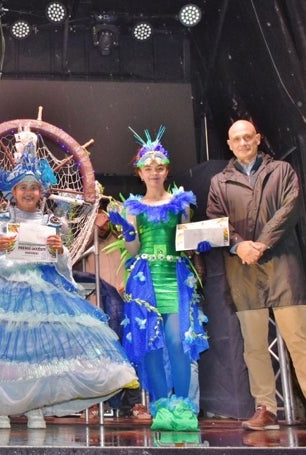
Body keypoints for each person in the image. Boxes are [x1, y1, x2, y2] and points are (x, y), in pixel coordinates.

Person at [0, 132, 138, 430]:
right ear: (13, 192)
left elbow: (62, 265)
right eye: (22, 187)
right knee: (0, 352)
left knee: (38, 353)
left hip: (43, 293)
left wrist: (59, 252)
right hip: (2, 291)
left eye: (34, 187)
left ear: (41, 192)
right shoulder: (1, 220)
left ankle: (34, 407)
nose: (29, 192)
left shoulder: (53, 223)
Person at [206, 119, 306, 431]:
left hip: (283, 268)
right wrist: (239, 246)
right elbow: (216, 221)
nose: (243, 142)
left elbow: (290, 208)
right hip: (244, 272)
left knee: (299, 341)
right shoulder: (219, 183)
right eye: (237, 138)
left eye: (248, 137)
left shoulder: (282, 171)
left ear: (258, 139)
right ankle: (266, 408)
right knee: (253, 347)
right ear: (229, 143)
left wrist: (261, 243)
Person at [108, 126, 209, 431]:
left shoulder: (182, 204)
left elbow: (186, 243)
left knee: (177, 341)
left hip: (175, 278)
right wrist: (127, 231)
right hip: (145, 279)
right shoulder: (133, 208)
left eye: (159, 167)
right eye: (147, 167)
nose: (154, 172)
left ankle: (183, 405)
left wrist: (198, 244)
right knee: (151, 343)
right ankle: (162, 404)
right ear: (139, 173)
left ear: (166, 170)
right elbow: (133, 248)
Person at [82, 207, 151, 421]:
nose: (101, 221)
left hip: (126, 301)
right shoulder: (83, 236)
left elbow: (138, 256)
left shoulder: (125, 231)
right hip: (94, 302)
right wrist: (88, 229)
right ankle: (94, 402)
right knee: (95, 353)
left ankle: (134, 402)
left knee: (129, 351)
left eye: (103, 214)